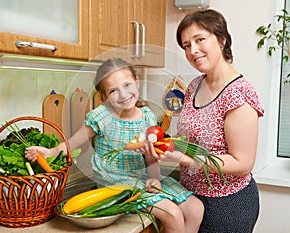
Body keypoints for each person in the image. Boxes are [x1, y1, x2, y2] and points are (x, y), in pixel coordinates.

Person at [25, 58, 204, 233]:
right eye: (113, 91)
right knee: (171, 214)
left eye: (127, 85)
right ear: (104, 97)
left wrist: (155, 179)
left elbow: (151, 157)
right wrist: (52, 151)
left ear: (137, 82)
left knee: (196, 210)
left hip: (142, 178)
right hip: (115, 183)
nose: (123, 94)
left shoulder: (147, 116)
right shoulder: (102, 116)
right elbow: (73, 142)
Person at [146, 9, 264, 233]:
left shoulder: (238, 93)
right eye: (186, 45)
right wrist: (166, 145)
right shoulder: (195, 85)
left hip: (227, 205)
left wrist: (188, 160)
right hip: (191, 198)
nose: (193, 50)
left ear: (221, 40)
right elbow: (194, 137)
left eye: (200, 39)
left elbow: (242, 163)